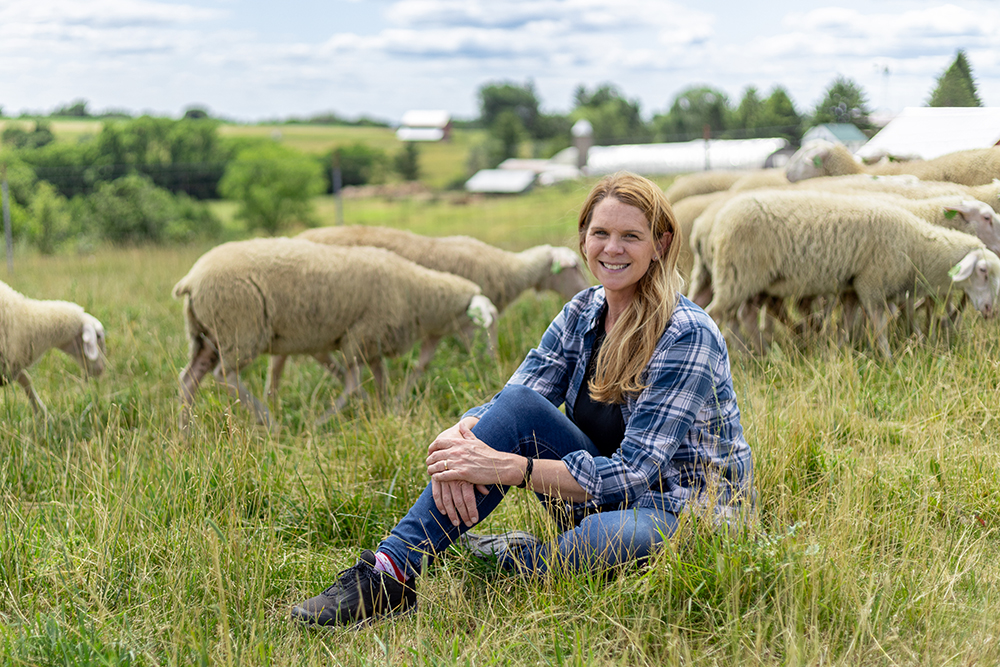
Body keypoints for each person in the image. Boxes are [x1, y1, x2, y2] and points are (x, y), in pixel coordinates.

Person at [290, 171, 755, 626]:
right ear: (583, 240)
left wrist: (510, 469)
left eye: (631, 236)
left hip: (684, 511)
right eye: (601, 233)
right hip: (597, 492)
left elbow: (635, 473)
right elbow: (518, 399)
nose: (612, 249)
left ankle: (514, 559)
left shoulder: (686, 333)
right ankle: (389, 573)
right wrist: (463, 434)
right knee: (510, 413)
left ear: (662, 244)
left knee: (600, 537)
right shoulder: (582, 310)